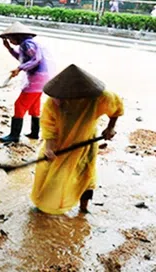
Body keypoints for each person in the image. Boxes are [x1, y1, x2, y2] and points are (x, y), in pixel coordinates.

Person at [31, 64, 124, 214]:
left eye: (61, 97)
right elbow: (48, 125)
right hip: (59, 143)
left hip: (85, 143)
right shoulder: (52, 102)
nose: (57, 100)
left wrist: (110, 127)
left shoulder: (100, 98)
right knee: (50, 174)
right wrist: (49, 146)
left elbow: (116, 108)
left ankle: (84, 208)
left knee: (84, 175)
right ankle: (44, 205)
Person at [0, 22, 52, 143]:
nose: (11, 41)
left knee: (20, 105)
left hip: (36, 79)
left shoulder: (27, 44)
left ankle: (14, 135)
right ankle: (34, 132)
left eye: (11, 39)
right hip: (42, 79)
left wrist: (19, 68)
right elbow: (23, 58)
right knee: (34, 105)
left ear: (17, 36)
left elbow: (35, 59)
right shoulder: (28, 43)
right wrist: (9, 49)